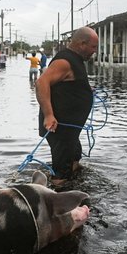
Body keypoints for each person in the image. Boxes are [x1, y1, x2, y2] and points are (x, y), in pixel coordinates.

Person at [36, 26, 99, 185]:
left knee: (75, 158)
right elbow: (41, 82)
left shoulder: (75, 60)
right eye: (93, 47)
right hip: (59, 128)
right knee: (61, 171)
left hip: (70, 129)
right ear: (82, 44)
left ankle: (75, 187)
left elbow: (67, 83)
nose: (95, 51)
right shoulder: (65, 61)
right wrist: (49, 115)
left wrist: (84, 89)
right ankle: (59, 202)